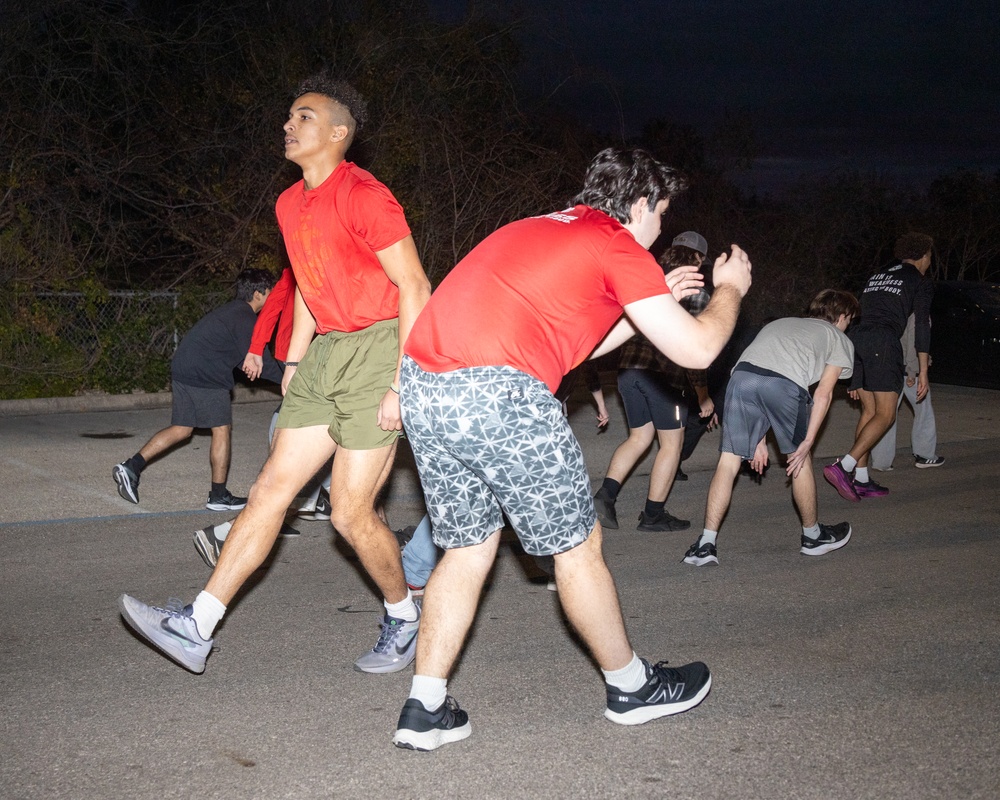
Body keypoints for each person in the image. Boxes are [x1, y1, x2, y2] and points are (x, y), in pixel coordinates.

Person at [390, 147, 752, 751]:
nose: (659, 227)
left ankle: (424, 707)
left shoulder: (539, 228)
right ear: (639, 204)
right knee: (577, 546)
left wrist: (645, 303)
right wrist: (730, 291)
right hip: (500, 392)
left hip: (425, 388)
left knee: (468, 547)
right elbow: (697, 350)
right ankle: (632, 688)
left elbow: (573, 348)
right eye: (660, 212)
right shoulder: (615, 243)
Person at [118, 73, 432, 676]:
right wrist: (295, 358)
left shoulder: (366, 195)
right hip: (325, 356)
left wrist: (402, 379)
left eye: (305, 116)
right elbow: (308, 287)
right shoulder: (290, 204)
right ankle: (197, 626)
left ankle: (404, 614)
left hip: (380, 347)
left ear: (339, 133)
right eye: (289, 115)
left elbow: (415, 285)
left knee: (348, 513)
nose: (289, 124)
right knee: (267, 491)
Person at [682, 289, 860, 567]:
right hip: (785, 385)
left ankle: (705, 544)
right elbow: (823, 394)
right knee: (798, 460)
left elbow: (762, 371)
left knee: (728, 462)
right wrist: (809, 441)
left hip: (741, 378)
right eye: (849, 319)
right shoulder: (838, 337)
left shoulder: (780, 323)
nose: (848, 325)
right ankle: (813, 536)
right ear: (842, 316)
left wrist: (759, 439)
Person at [112, 269, 282, 511]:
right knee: (222, 429)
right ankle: (218, 495)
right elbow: (261, 362)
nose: (275, 298)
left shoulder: (232, 313)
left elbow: (238, 356)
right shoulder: (245, 319)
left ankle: (131, 467)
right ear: (258, 293)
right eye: (272, 292)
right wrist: (291, 378)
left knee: (182, 429)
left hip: (184, 367)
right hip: (205, 374)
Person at [593, 235, 714, 533]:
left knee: (639, 437)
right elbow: (693, 346)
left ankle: (604, 497)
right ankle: (653, 515)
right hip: (663, 378)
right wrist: (702, 394)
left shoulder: (647, 279)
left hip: (629, 369)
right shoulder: (695, 292)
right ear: (698, 260)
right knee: (671, 444)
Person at [824, 233, 934, 501]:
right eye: (930, 255)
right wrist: (923, 372)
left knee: (869, 410)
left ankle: (861, 478)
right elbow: (920, 327)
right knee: (886, 415)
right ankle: (846, 466)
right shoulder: (919, 280)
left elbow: (861, 314)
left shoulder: (879, 275)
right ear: (924, 256)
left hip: (857, 339)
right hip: (883, 342)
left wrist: (856, 372)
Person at [870, 313, 944, 471]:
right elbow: (915, 344)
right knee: (923, 412)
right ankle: (925, 455)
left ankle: (881, 461)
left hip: (888, 367)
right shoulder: (918, 314)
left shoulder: (893, 308)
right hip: (909, 370)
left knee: (886, 413)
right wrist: (912, 372)